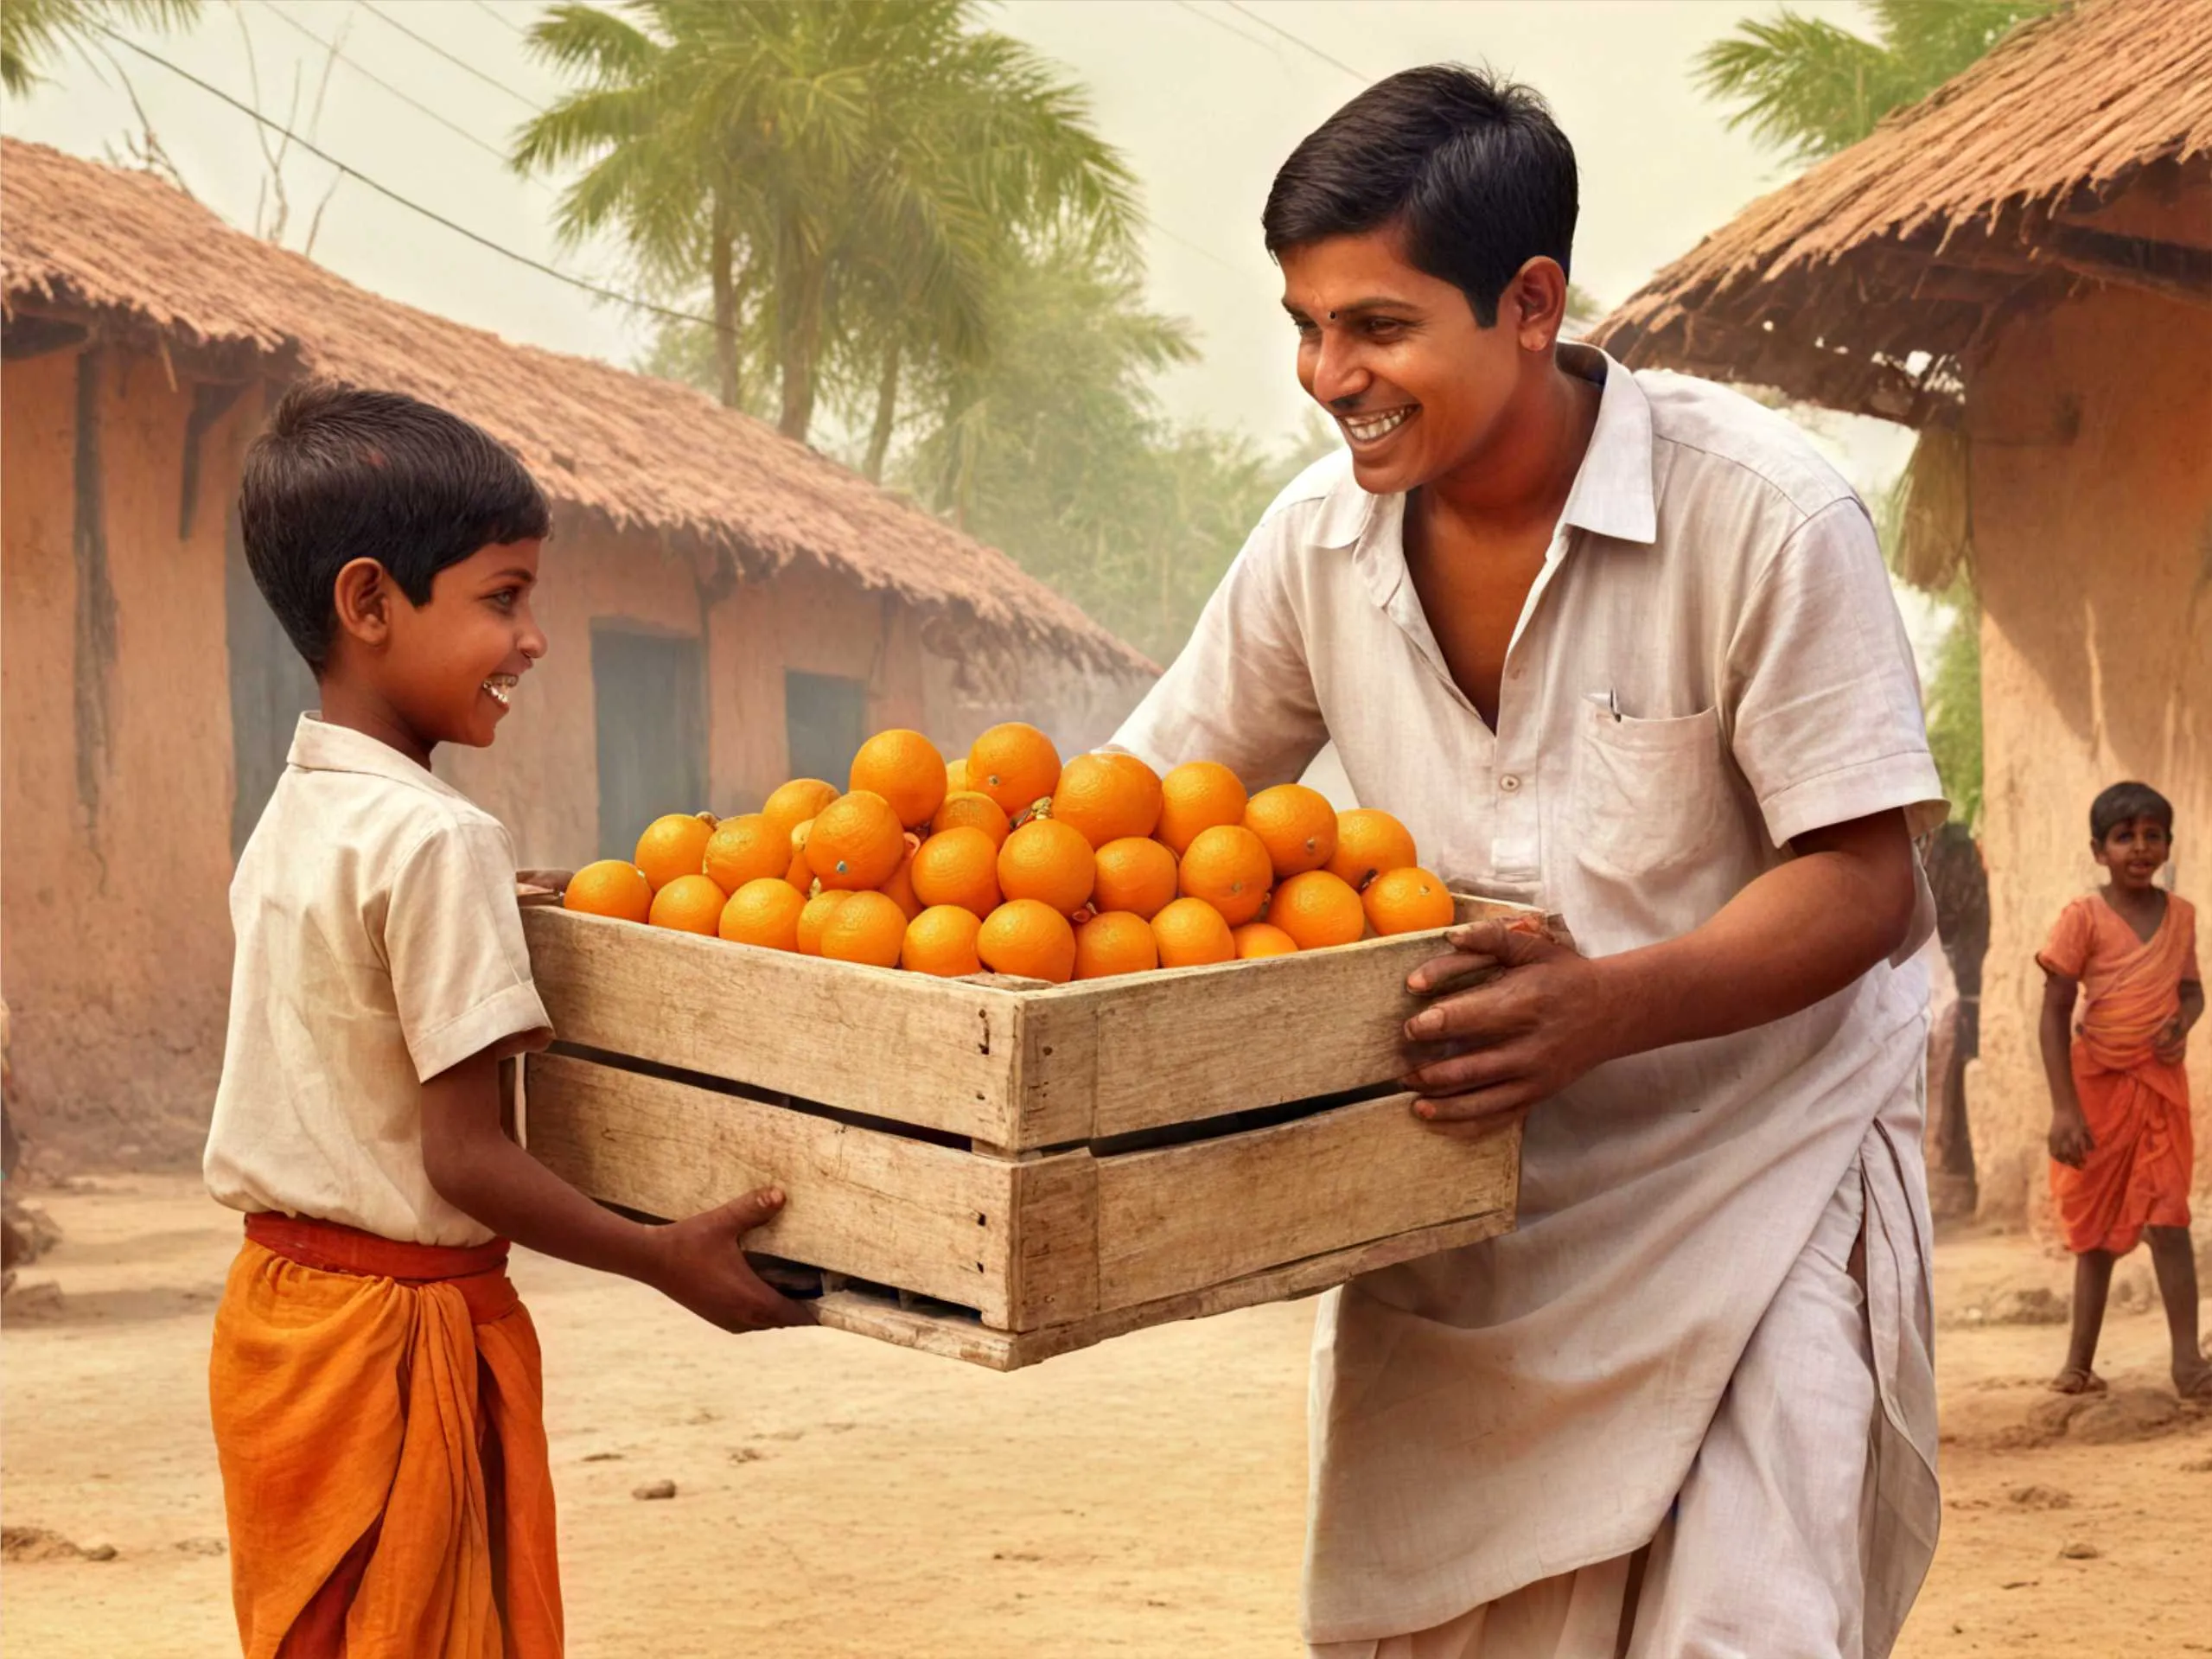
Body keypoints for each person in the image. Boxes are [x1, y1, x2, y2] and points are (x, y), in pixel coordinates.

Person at [1112, 67, 1946, 1658]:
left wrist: (1603, 1007)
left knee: (1742, 1634)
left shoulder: (1761, 516)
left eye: (1373, 325)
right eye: (1302, 323)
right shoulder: (1309, 546)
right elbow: (1139, 816)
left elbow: (1862, 884)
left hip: (1752, 1183)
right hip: (1459, 1224)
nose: (1323, 373)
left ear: (1526, 300)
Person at [202, 382, 812, 1658]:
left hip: (281, 1320)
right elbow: (463, 1155)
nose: (534, 637)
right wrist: (661, 1252)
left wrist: (503, 899)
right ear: (369, 602)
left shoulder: (303, 805)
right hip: (398, 1339)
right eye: (503, 596)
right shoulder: (436, 838)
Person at [2037, 781, 2207, 1400]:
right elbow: (2054, 1009)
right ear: (2097, 849)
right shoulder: (2081, 918)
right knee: (2096, 1233)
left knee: (2168, 1217)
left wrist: (2179, 1023)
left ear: (2166, 843)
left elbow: (2191, 991)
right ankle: (2077, 1364)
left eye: (2151, 834)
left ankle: (2188, 1363)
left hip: (2159, 1086)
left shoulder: (2180, 915)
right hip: (2095, 1092)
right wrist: (2063, 1108)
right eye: (2124, 836)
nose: (2139, 846)